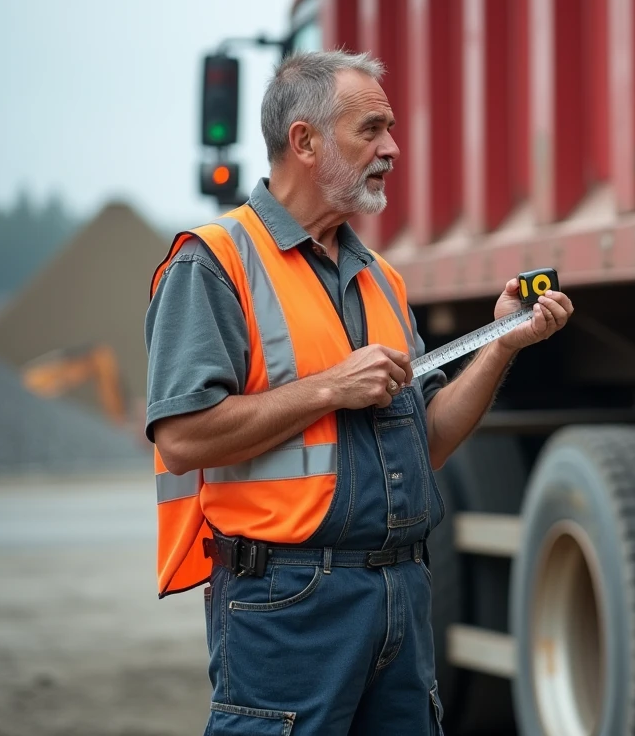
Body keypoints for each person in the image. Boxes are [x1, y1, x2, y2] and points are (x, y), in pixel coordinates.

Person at [144, 49, 573, 735]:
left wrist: (501, 345)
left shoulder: (380, 279)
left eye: (391, 129)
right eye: (370, 130)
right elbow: (183, 437)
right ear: (304, 141)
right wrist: (331, 389)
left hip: (399, 591)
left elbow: (424, 441)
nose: (393, 148)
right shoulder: (212, 262)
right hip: (286, 600)